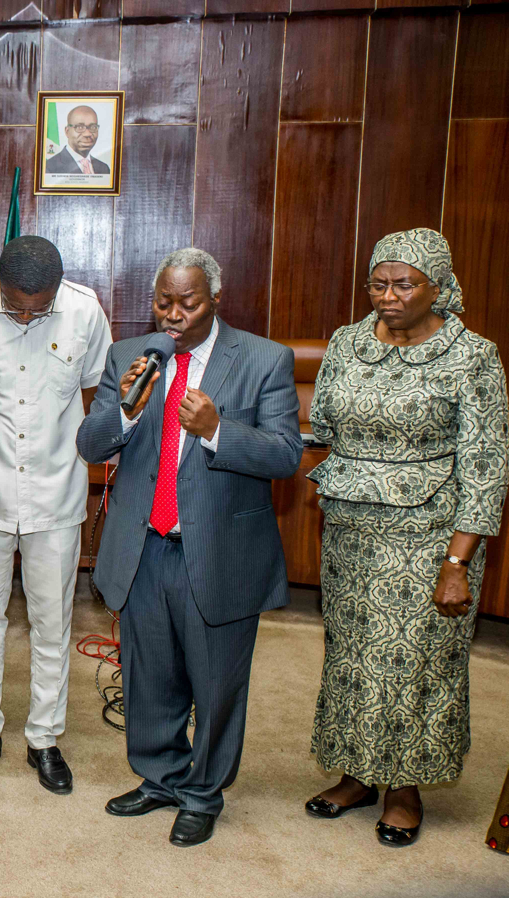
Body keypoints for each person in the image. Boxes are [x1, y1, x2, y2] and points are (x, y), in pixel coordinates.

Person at [76, 247, 301, 847]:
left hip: (221, 550)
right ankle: (160, 777)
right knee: (150, 676)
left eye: (188, 303)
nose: (173, 315)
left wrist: (219, 431)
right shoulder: (130, 356)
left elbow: (285, 455)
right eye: (163, 302)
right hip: (144, 547)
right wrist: (126, 412)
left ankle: (203, 792)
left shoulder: (262, 359)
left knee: (217, 680)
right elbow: (91, 446)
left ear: (216, 299)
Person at [305, 228, 509, 848]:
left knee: (416, 663)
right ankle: (357, 775)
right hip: (347, 529)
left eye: (403, 284)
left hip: (428, 538)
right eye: (378, 283)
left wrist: (457, 561)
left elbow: (485, 465)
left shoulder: (473, 356)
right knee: (350, 655)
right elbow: (322, 425)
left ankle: (404, 788)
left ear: (439, 288)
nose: (387, 296)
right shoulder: (346, 342)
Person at [0, 236, 111, 792]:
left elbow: (93, 396)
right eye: (17, 305)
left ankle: (45, 739)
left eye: (41, 306)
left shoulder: (85, 311)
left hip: (56, 493)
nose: (29, 315)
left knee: (52, 622)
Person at [45, 106, 110, 176]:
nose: (87, 134)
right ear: (67, 131)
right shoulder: (49, 168)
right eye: (80, 127)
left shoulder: (104, 168)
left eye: (93, 127)